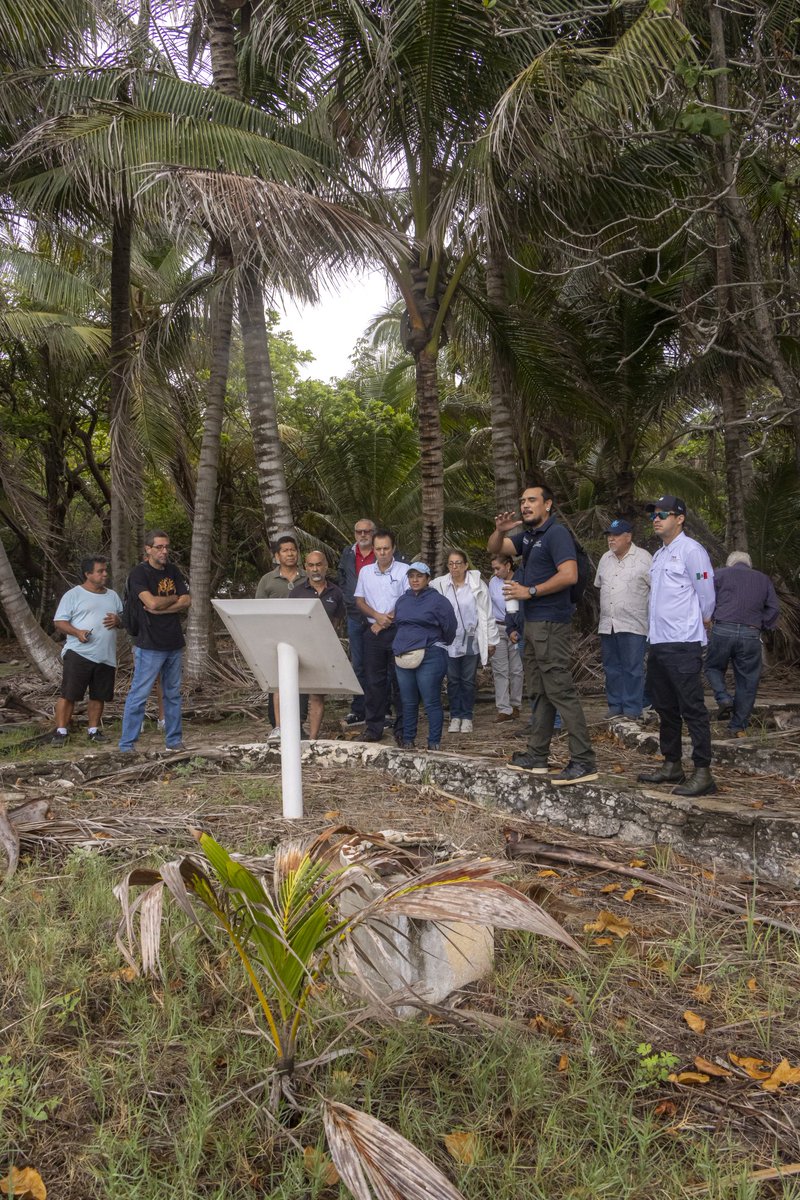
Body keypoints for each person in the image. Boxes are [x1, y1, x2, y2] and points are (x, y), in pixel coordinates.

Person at [488, 484, 597, 785]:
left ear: (547, 505)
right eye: (523, 501)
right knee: (539, 691)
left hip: (551, 622)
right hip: (531, 623)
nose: (525, 505)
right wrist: (499, 530)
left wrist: (531, 591)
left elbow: (569, 575)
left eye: (532, 500)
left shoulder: (556, 534)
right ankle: (537, 755)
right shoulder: (529, 536)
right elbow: (496, 548)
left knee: (560, 690)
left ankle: (584, 761)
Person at [636, 496, 716, 796]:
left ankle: (703, 772)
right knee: (665, 707)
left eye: (663, 515)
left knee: (692, 707)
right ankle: (672, 763)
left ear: (679, 518)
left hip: (683, 641)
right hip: (659, 641)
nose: (656, 520)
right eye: (653, 516)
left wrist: (704, 619)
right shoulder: (659, 555)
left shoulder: (692, 551)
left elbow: (706, 591)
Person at [118, 530, 191, 753]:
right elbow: (150, 603)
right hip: (149, 643)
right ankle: (127, 745)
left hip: (173, 641)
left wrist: (164, 606)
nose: (164, 551)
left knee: (173, 694)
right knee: (140, 693)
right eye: (159, 547)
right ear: (148, 549)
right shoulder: (139, 574)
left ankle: (174, 741)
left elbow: (186, 600)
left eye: (166, 547)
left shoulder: (172, 571)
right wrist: (171, 599)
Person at [704, 551, 780, 736]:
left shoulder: (719, 574)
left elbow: (706, 597)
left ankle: (723, 698)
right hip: (750, 632)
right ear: (749, 564)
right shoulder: (763, 579)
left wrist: (710, 616)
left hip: (723, 628)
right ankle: (737, 726)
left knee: (713, 667)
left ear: (729, 564)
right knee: (747, 681)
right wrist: (761, 624)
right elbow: (774, 608)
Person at [51, 556, 123, 745]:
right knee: (69, 694)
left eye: (105, 570)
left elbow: (123, 619)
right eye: (100, 571)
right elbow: (59, 622)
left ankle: (93, 730)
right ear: (88, 574)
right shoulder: (73, 595)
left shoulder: (113, 596)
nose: (105, 574)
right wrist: (77, 632)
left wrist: (118, 621)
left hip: (105, 655)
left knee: (99, 695)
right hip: (79, 653)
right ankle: (61, 731)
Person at [431, 550, 498, 734]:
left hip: (471, 638)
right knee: (453, 680)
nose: (455, 567)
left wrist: (491, 640)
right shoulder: (440, 585)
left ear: (466, 565)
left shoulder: (477, 585)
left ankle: (467, 716)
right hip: (449, 641)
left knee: (468, 680)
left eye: (458, 563)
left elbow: (487, 613)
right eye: (451, 563)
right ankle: (455, 716)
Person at [393, 562, 458, 750]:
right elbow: (398, 624)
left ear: (428, 578)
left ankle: (434, 743)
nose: (415, 580)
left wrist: (436, 643)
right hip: (403, 654)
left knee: (431, 700)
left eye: (419, 576)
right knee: (408, 701)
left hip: (430, 653)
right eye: (411, 576)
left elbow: (450, 627)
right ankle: (408, 740)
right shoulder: (402, 600)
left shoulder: (438, 600)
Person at [354, 528, 409, 743]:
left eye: (386, 548)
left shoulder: (405, 570)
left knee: (400, 681)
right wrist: (376, 617)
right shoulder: (365, 572)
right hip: (373, 632)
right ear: (373, 549)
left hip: (398, 632)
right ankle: (374, 728)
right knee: (373, 682)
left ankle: (403, 729)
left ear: (393, 548)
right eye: (378, 549)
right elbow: (359, 600)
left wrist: (387, 620)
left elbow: (408, 599)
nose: (382, 553)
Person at [594, 518, 652, 719]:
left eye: (616, 535)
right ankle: (615, 706)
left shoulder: (644, 558)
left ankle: (632, 709)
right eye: (609, 535)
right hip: (608, 623)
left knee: (633, 668)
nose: (611, 539)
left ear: (628, 537)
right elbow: (600, 586)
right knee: (611, 668)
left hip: (634, 623)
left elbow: (655, 589)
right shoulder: (605, 558)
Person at [288, 551, 346, 739]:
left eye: (319, 564)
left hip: (323, 650)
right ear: (305, 567)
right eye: (311, 565)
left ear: (326, 566)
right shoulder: (296, 592)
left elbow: (337, 621)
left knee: (317, 695)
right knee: (295, 693)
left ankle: (313, 740)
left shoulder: (336, 593)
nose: (315, 569)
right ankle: (294, 735)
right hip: (299, 649)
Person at [255, 535, 308, 736]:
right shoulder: (267, 580)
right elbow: (258, 610)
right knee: (277, 681)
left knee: (301, 682)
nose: (290, 554)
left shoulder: (307, 578)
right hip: (275, 638)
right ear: (277, 556)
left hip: (302, 637)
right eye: (285, 550)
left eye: (293, 550)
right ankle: (277, 726)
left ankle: (298, 726)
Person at [338, 518, 376, 727]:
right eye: (359, 531)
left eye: (367, 531)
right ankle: (359, 709)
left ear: (373, 533)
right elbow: (342, 578)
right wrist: (348, 600)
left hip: (377, 617)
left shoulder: (382, 551)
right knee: (358, 665)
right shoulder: (348, 553)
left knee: (379, 665)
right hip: (355, 616)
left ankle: (382, 709)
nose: (363, 535)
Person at [488, 554, 523, 723]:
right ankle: (504, 708)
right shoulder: (493, 583)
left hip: (516, 628)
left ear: (508, 565)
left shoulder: (520, 579)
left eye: (498, 568)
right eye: (493, 569)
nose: (495, 572)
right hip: (498, 626)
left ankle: (516, 704)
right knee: (500, 670)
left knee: (516, 669)